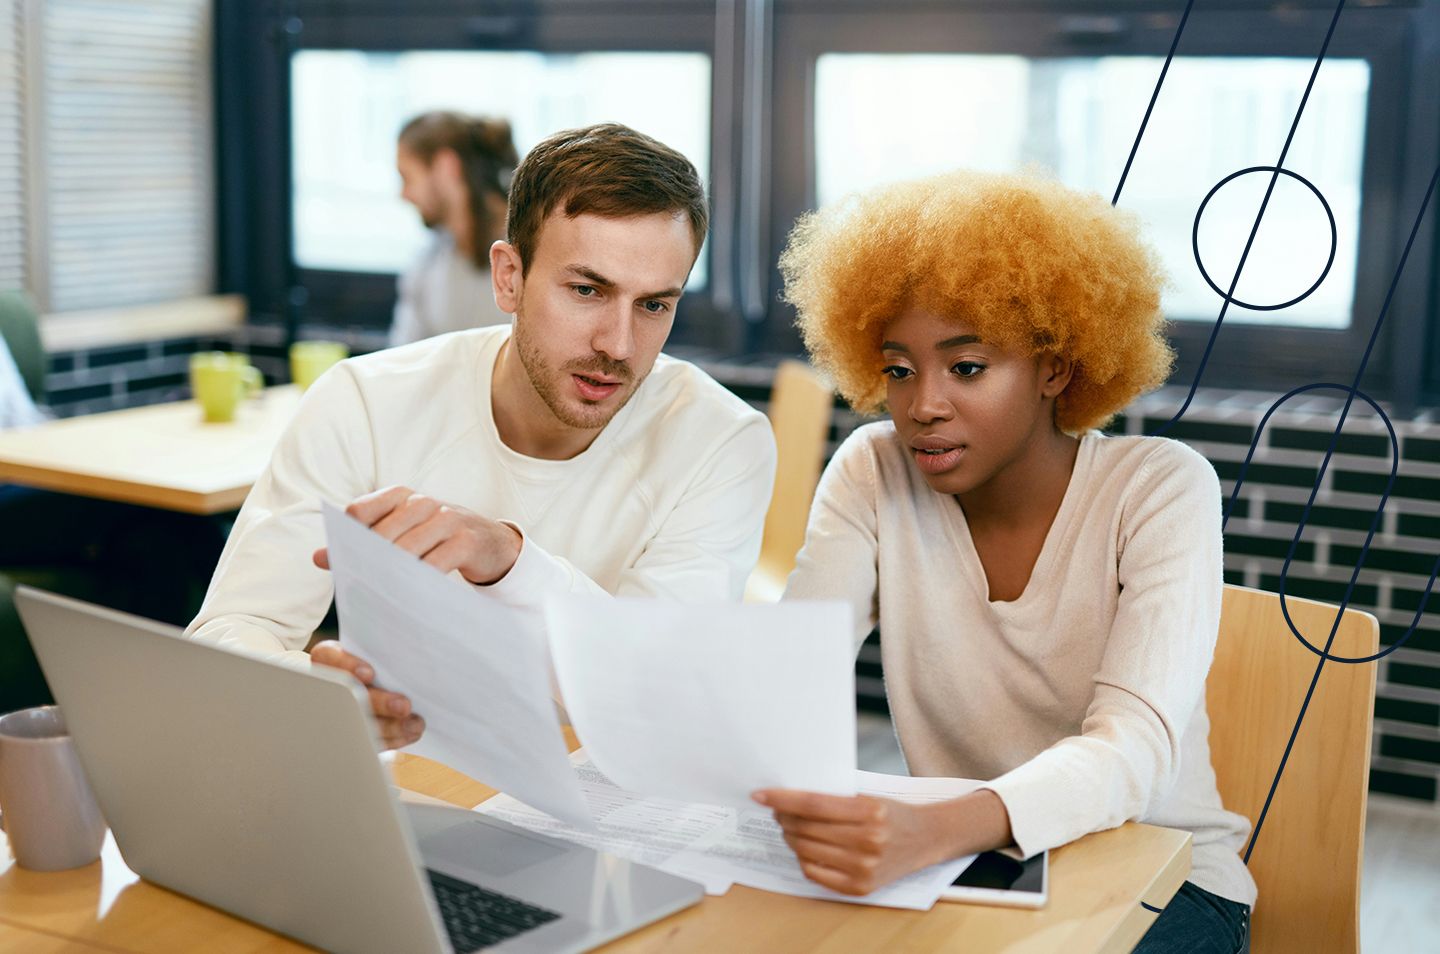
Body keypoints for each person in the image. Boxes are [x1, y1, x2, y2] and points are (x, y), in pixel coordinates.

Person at [756, 170, 1254, 953]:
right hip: (965, 866)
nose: (923, 404)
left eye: (967, 367)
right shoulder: (874, 471)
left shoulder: (1159, 488)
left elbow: (1132, 754)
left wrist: (930, 829)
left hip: (1164, 874)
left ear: (1055, 368)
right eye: (898, 369)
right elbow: (787, 670)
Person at [187, 123, 776, 749]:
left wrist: (506, 561)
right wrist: (322, 694)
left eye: (655, 305)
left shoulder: (721, 440)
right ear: (509, 278)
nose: (619, 345)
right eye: (586, 290)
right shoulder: (364, 401)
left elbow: (651, 687)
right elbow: (232, 630)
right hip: (405, 790)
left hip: (607, 805)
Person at [390, 111, 519, 345]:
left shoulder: (529, 254)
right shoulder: (427, 265)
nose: (403, 195)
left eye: (407, 177)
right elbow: (401, 360)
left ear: (446, 166)